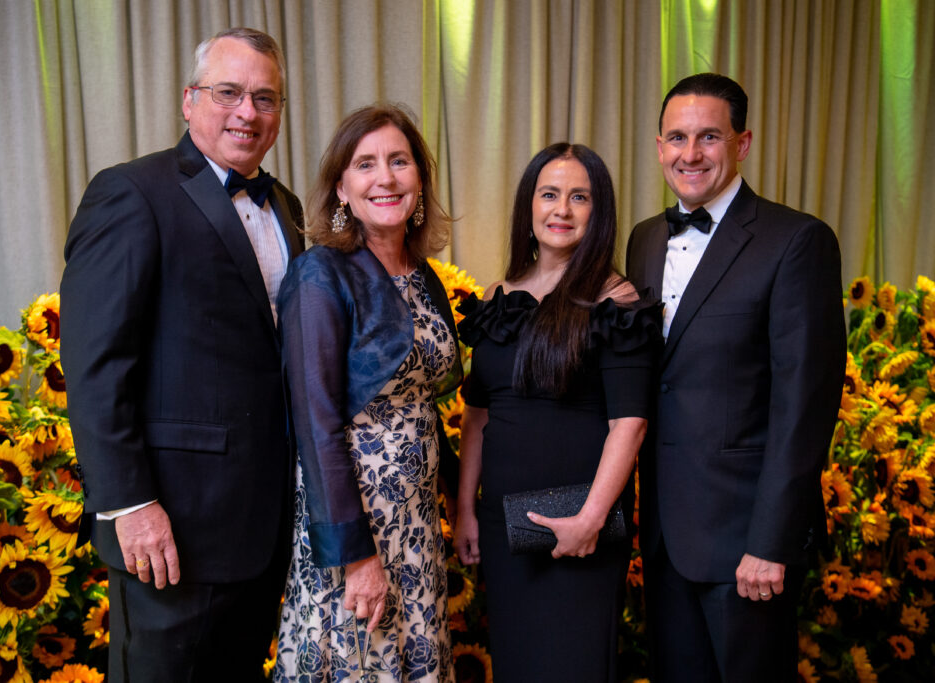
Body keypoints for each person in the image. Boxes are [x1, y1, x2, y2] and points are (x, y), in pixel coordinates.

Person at [60, 28, 304, 682]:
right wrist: (128, 502)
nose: (247, 112)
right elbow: (95, 363)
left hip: (260, 528)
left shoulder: (287, 207)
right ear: (190, 100)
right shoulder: (131, 192)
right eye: (229, 92)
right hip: (169, 528)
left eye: (265, 97)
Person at [625, 73, 845, 682]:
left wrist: (771, 541)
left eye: (709, 137)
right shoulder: (644, 239)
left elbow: (806, 406)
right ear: (659, 144)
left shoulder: (796, 241)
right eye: (676, 137)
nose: (689, 154)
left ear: (742, 143)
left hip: (748, 540)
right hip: (667, 536)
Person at [453, 143, 661, 682]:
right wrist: (466, 509)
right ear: (529, 206)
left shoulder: (615, 300)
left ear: (599, 212)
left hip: (578, 525)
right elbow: (477, 415)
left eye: (579, 197)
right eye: (549, 195)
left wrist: (589, 521)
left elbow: (630, 423)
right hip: (504, 525)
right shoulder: (498, 294)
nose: (561, 210)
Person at [272, 104, 461, 682]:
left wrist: (462, 506)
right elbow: (315, 425)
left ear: (420, 180)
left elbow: (423, 404)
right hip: (355, 529)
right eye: (366, 164)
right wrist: (356, 557)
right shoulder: (319, 274)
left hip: (417, 528)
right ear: (342, 189)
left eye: (399, 161)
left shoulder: (423, 275)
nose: (386, 178)